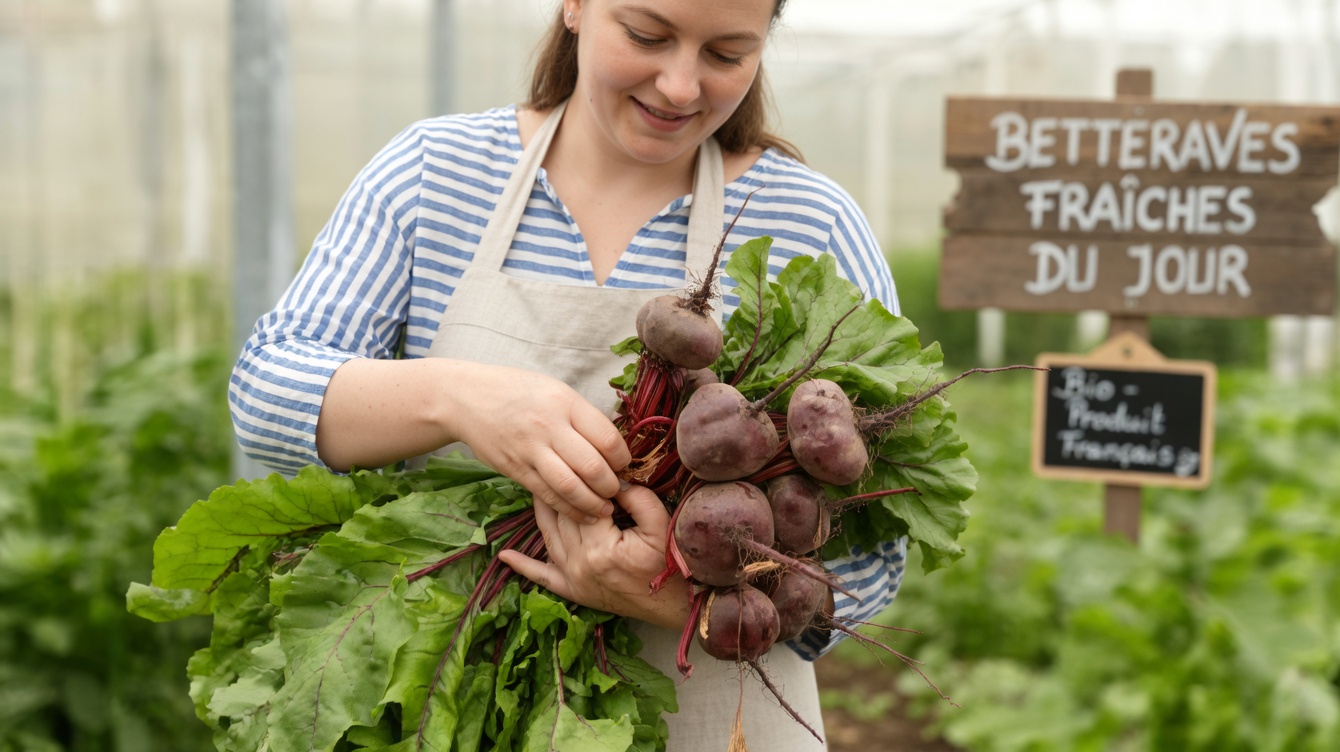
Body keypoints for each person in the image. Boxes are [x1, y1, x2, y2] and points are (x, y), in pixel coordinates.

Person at [229, 1, 906, 749]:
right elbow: (266, 393)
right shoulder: (436, 174)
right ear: (576, 7)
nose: (681, 86)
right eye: (647, 36)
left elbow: (876, 560)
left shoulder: (811, 220)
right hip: (445, 701)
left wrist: (686, 598)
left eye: (726, 54)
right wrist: (458, 396)